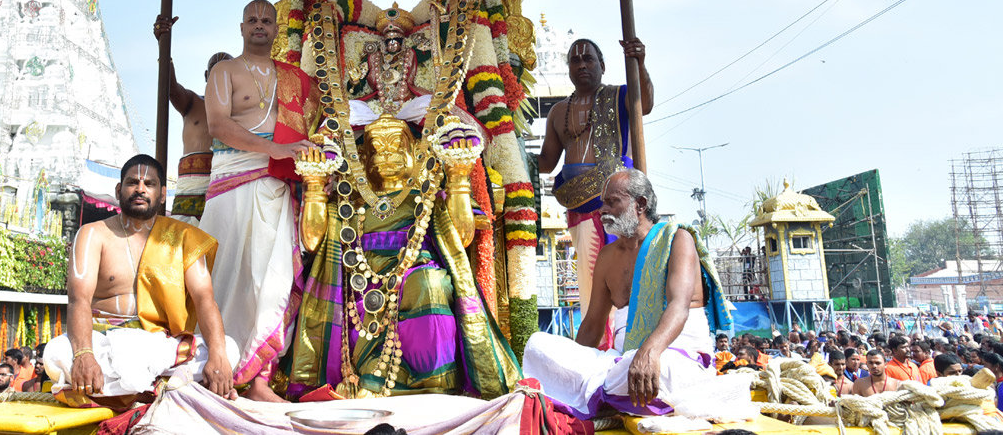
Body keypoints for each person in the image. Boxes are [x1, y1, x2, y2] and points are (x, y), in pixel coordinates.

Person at [287, 115, 519, 398]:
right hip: (362, 273)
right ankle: (370, 377)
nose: (387, 156)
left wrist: (458, 175)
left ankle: (436, 382)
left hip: (416, 267)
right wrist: (314, 184)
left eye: (397, 148)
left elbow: (462, 236)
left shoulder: (426, 196)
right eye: (378, 150)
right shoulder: (350, 203)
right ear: (363, 159)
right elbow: (312, 242)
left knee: (429, 284)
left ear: (414, 154)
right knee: (361, 292)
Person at [523, 170, 748, 417]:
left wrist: (649, 353)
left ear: (640, 204)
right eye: (602, 203)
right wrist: (571, 367)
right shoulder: (607, 257)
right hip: (619, 363)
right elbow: (591, 326)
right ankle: (608, 391)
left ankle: (602, 393)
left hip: (674, 357)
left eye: (612, 202)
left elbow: (679, 306)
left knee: (659, 370)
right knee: (538, 345)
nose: (602, 210)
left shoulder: (677, 240)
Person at [43, 154, 238, 400]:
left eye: (150, 184)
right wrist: (84, 354)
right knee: (55, 354)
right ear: (118, 189)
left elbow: (204, 299)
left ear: (163, 194)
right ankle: (170, 388)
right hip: (105, 341)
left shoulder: (183, 238)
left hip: (159, 345)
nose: (140, 189)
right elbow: (78, 300)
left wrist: (219, 356)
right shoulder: (93, 234)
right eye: (132, 182)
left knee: (229, 348)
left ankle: (131, 391)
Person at [201, 0, 316, 400]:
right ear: (241, 27)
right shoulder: (224, 71)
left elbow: (317, 122)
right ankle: (214, 365)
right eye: (252, 19)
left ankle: (259, 380)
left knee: (271, 280)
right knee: (225, 278)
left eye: (267, 20)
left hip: (276, 184)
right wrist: (276, 150)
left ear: (276, 28)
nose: (259, 25)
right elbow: (217, 125)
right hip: (233, 180)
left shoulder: (295, 79)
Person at [539, 37, 652, 332]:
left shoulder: (620, 96)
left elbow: (646, 104)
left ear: (602, 65)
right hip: (577, 208)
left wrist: (638, 62)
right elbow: (547, 163)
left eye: (588, 59)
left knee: (623, 275)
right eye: (575, 61)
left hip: (618, 204)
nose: (582, 65)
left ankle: (622, 337)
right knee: (589, 281)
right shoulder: (557, 112)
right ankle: (597, 343)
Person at [153, 15, 231, 223]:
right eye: (215, 71)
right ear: (206, 75)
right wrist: (164, 44)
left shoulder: (243, 112)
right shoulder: (192, 102)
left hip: (225, 189)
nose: (220, 76)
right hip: (190, 192)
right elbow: (170, 87)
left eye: (226, 72)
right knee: (183, 249)